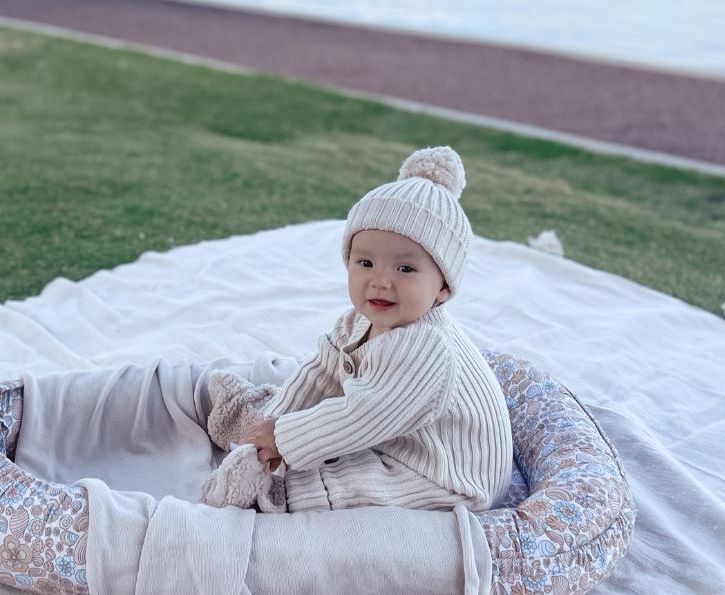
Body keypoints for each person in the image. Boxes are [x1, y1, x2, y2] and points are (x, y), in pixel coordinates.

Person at [202, 145, 514, 515]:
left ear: (444, 288)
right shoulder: (359, 320)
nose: (380, 281)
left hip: (446, 475)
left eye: (405, 269)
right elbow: (321, 374)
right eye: (365, 262)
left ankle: (276, 496)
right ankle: (257, 423)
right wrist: (272, 421)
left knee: (354, 480)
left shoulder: (425, 348)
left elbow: (363, 415)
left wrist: (284, 439)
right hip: (403, 438)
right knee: (317, 428)